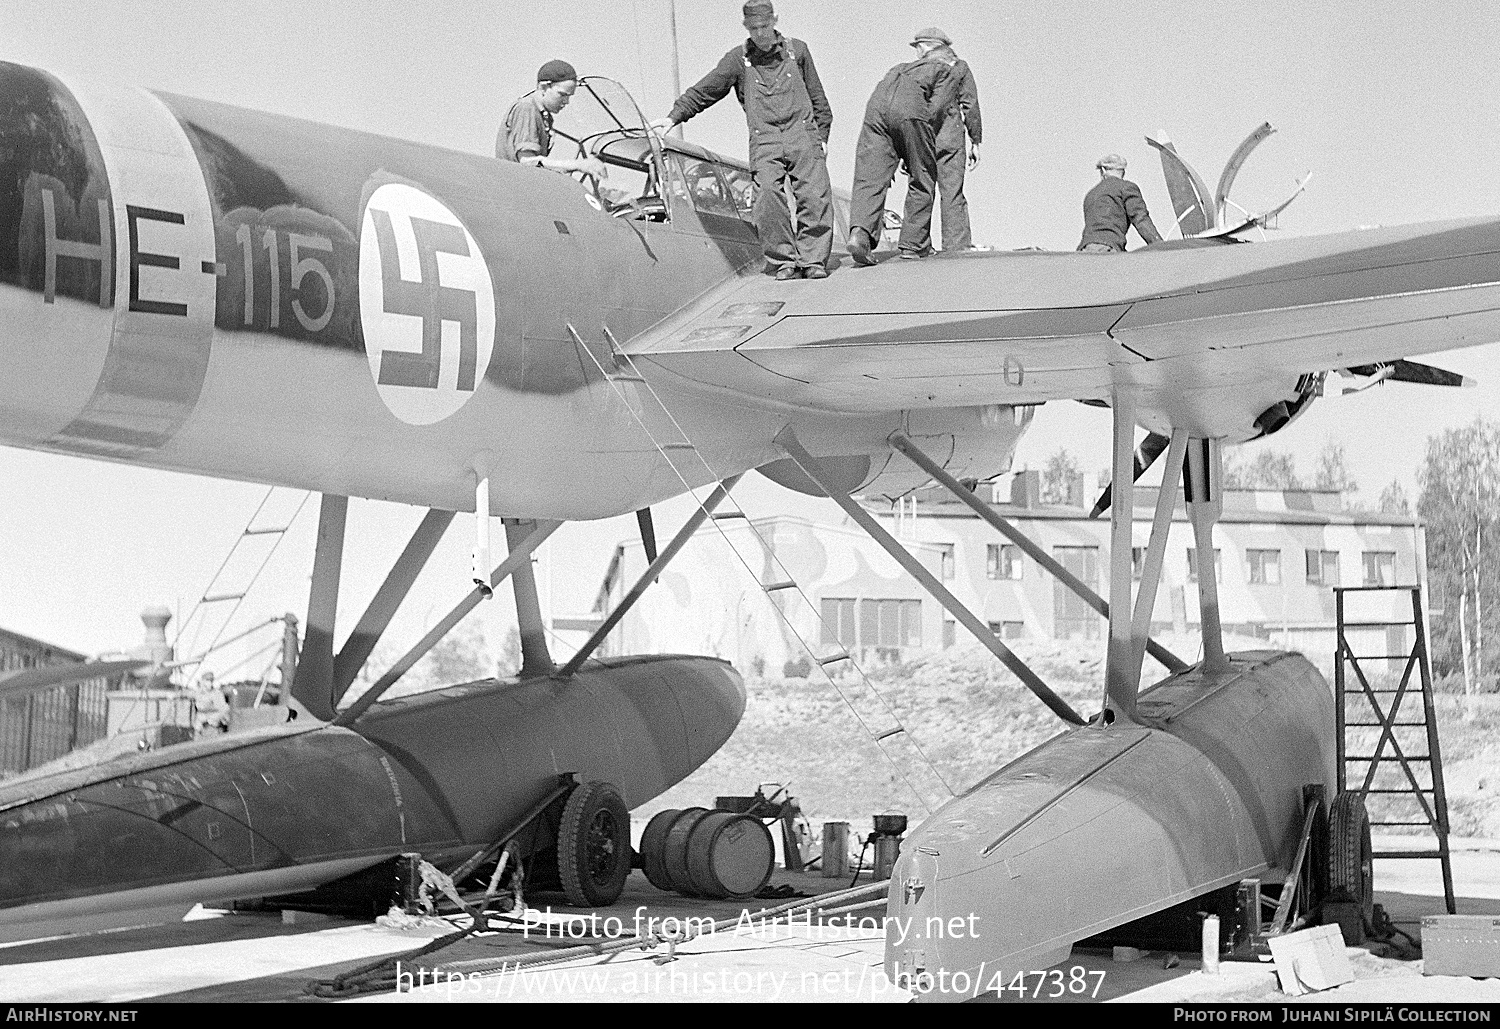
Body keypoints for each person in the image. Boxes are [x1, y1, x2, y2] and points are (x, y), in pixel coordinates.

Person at [648, 1, 834, 280]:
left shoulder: (798, 51)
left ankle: (813, 259)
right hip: (765, 138)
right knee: (768, 197)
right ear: (746, 28)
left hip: (802, 133)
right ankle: (784, 261)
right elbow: (705, 90)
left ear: (775, 21)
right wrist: (674, 117)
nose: (760, 33)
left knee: (814, 196)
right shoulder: (737, 59)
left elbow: (818, 98)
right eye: (753, 28)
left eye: (764, 26)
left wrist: (822, 137)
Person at [847, 31, 966, 265]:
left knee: (870, 177)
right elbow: (935, 110)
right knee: (923, 175)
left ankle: (860, 232)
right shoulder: (948, 69)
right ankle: (913, 244)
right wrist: (913, 147)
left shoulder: (900, 68)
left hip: (876, 109)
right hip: (910, 113)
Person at [496, 60, 608, 181]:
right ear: (543, 87)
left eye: (569, 96)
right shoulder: (527, 108)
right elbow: (527, 161)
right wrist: (578, 165)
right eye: (562, 95)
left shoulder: (544, 115)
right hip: (513, 186)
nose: (566, 102)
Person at [927, 32, 982, 251]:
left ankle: (915, 244)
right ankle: (956, 246)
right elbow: (970, 104)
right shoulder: (959, 68)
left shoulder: (915, 70)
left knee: (920, 190)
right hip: (950, 136)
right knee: (952, 192)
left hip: (923, 136)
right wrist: (975, 140)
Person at [1077, 153, 1162, 252]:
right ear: (1123, 171)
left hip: (1084, 250)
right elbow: (1140, 219)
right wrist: (1159, 245)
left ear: (1103, 170)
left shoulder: (1091, 194)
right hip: (1109, 248)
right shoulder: (1127, 188)